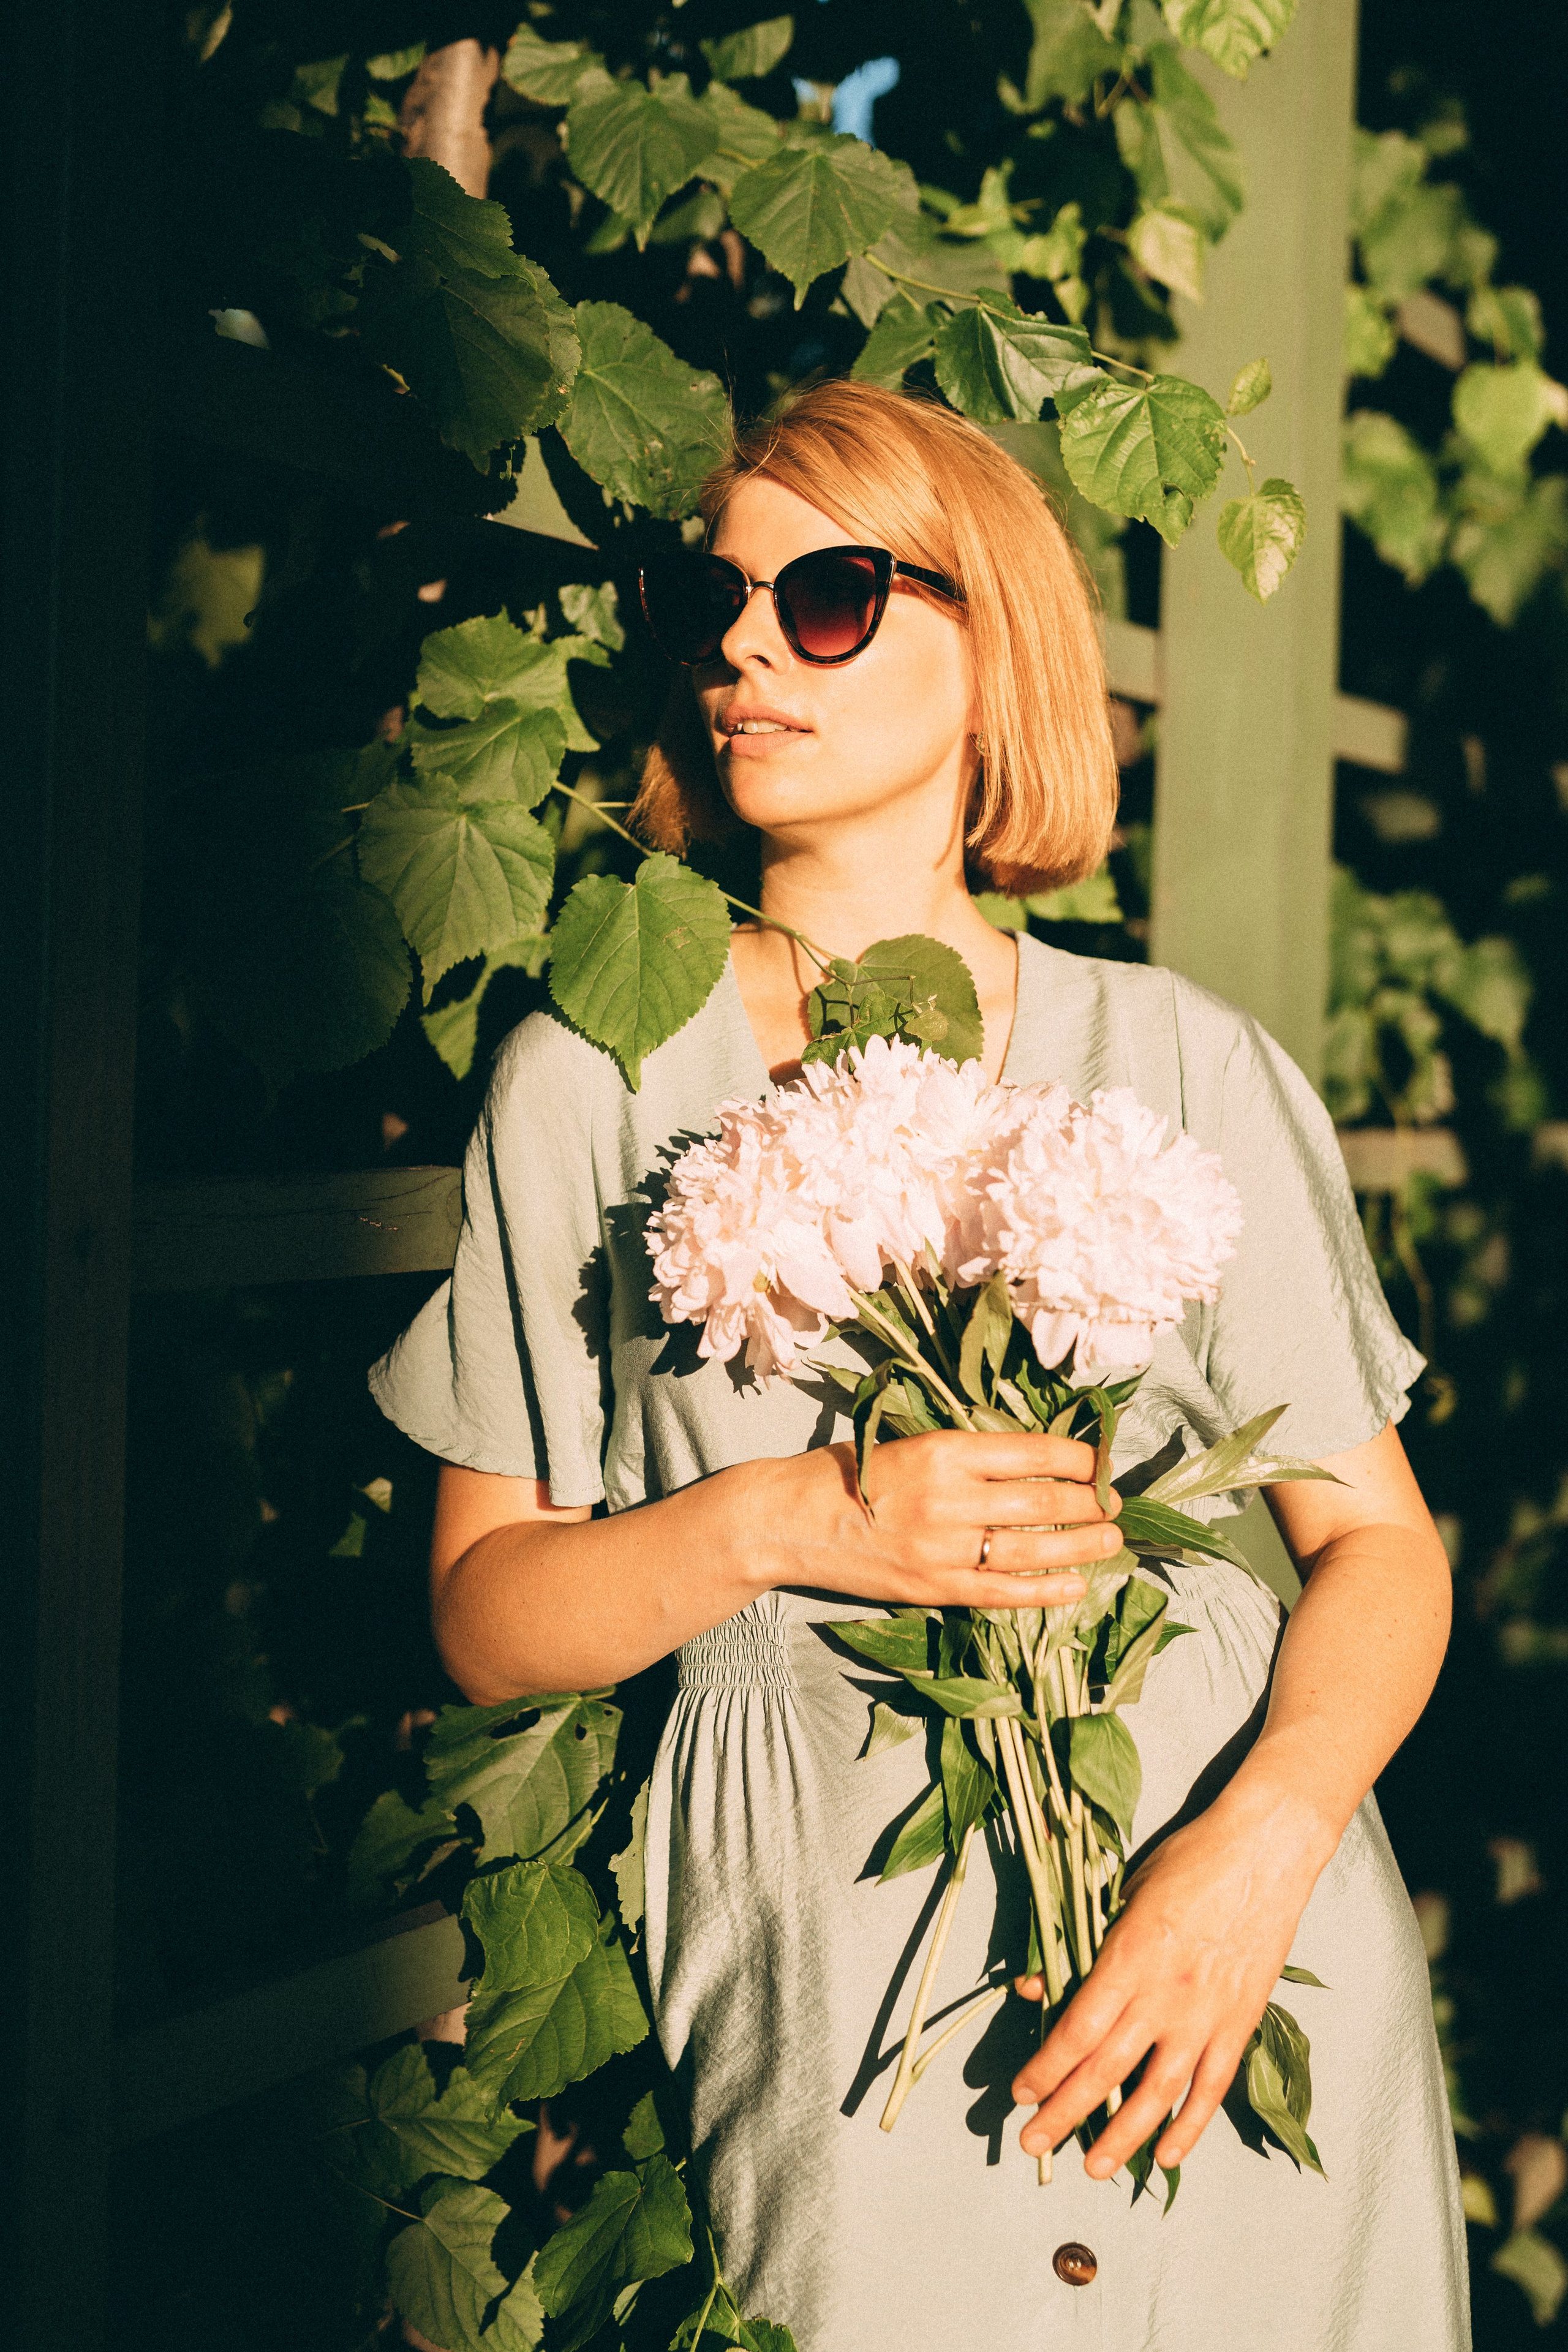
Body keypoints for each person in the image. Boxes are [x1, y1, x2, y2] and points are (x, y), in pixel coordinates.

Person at [369, 381, 1468, 2350]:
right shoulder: (599, 1075)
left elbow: (1381, 1548)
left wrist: (1263, 1851)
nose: (740, 643)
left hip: (1240, 1972)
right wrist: (792, 1518)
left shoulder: (1187, 1062)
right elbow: (483, 1615)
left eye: (833, 596)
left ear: (996, 654)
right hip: (843, 2021)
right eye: (722, 597)